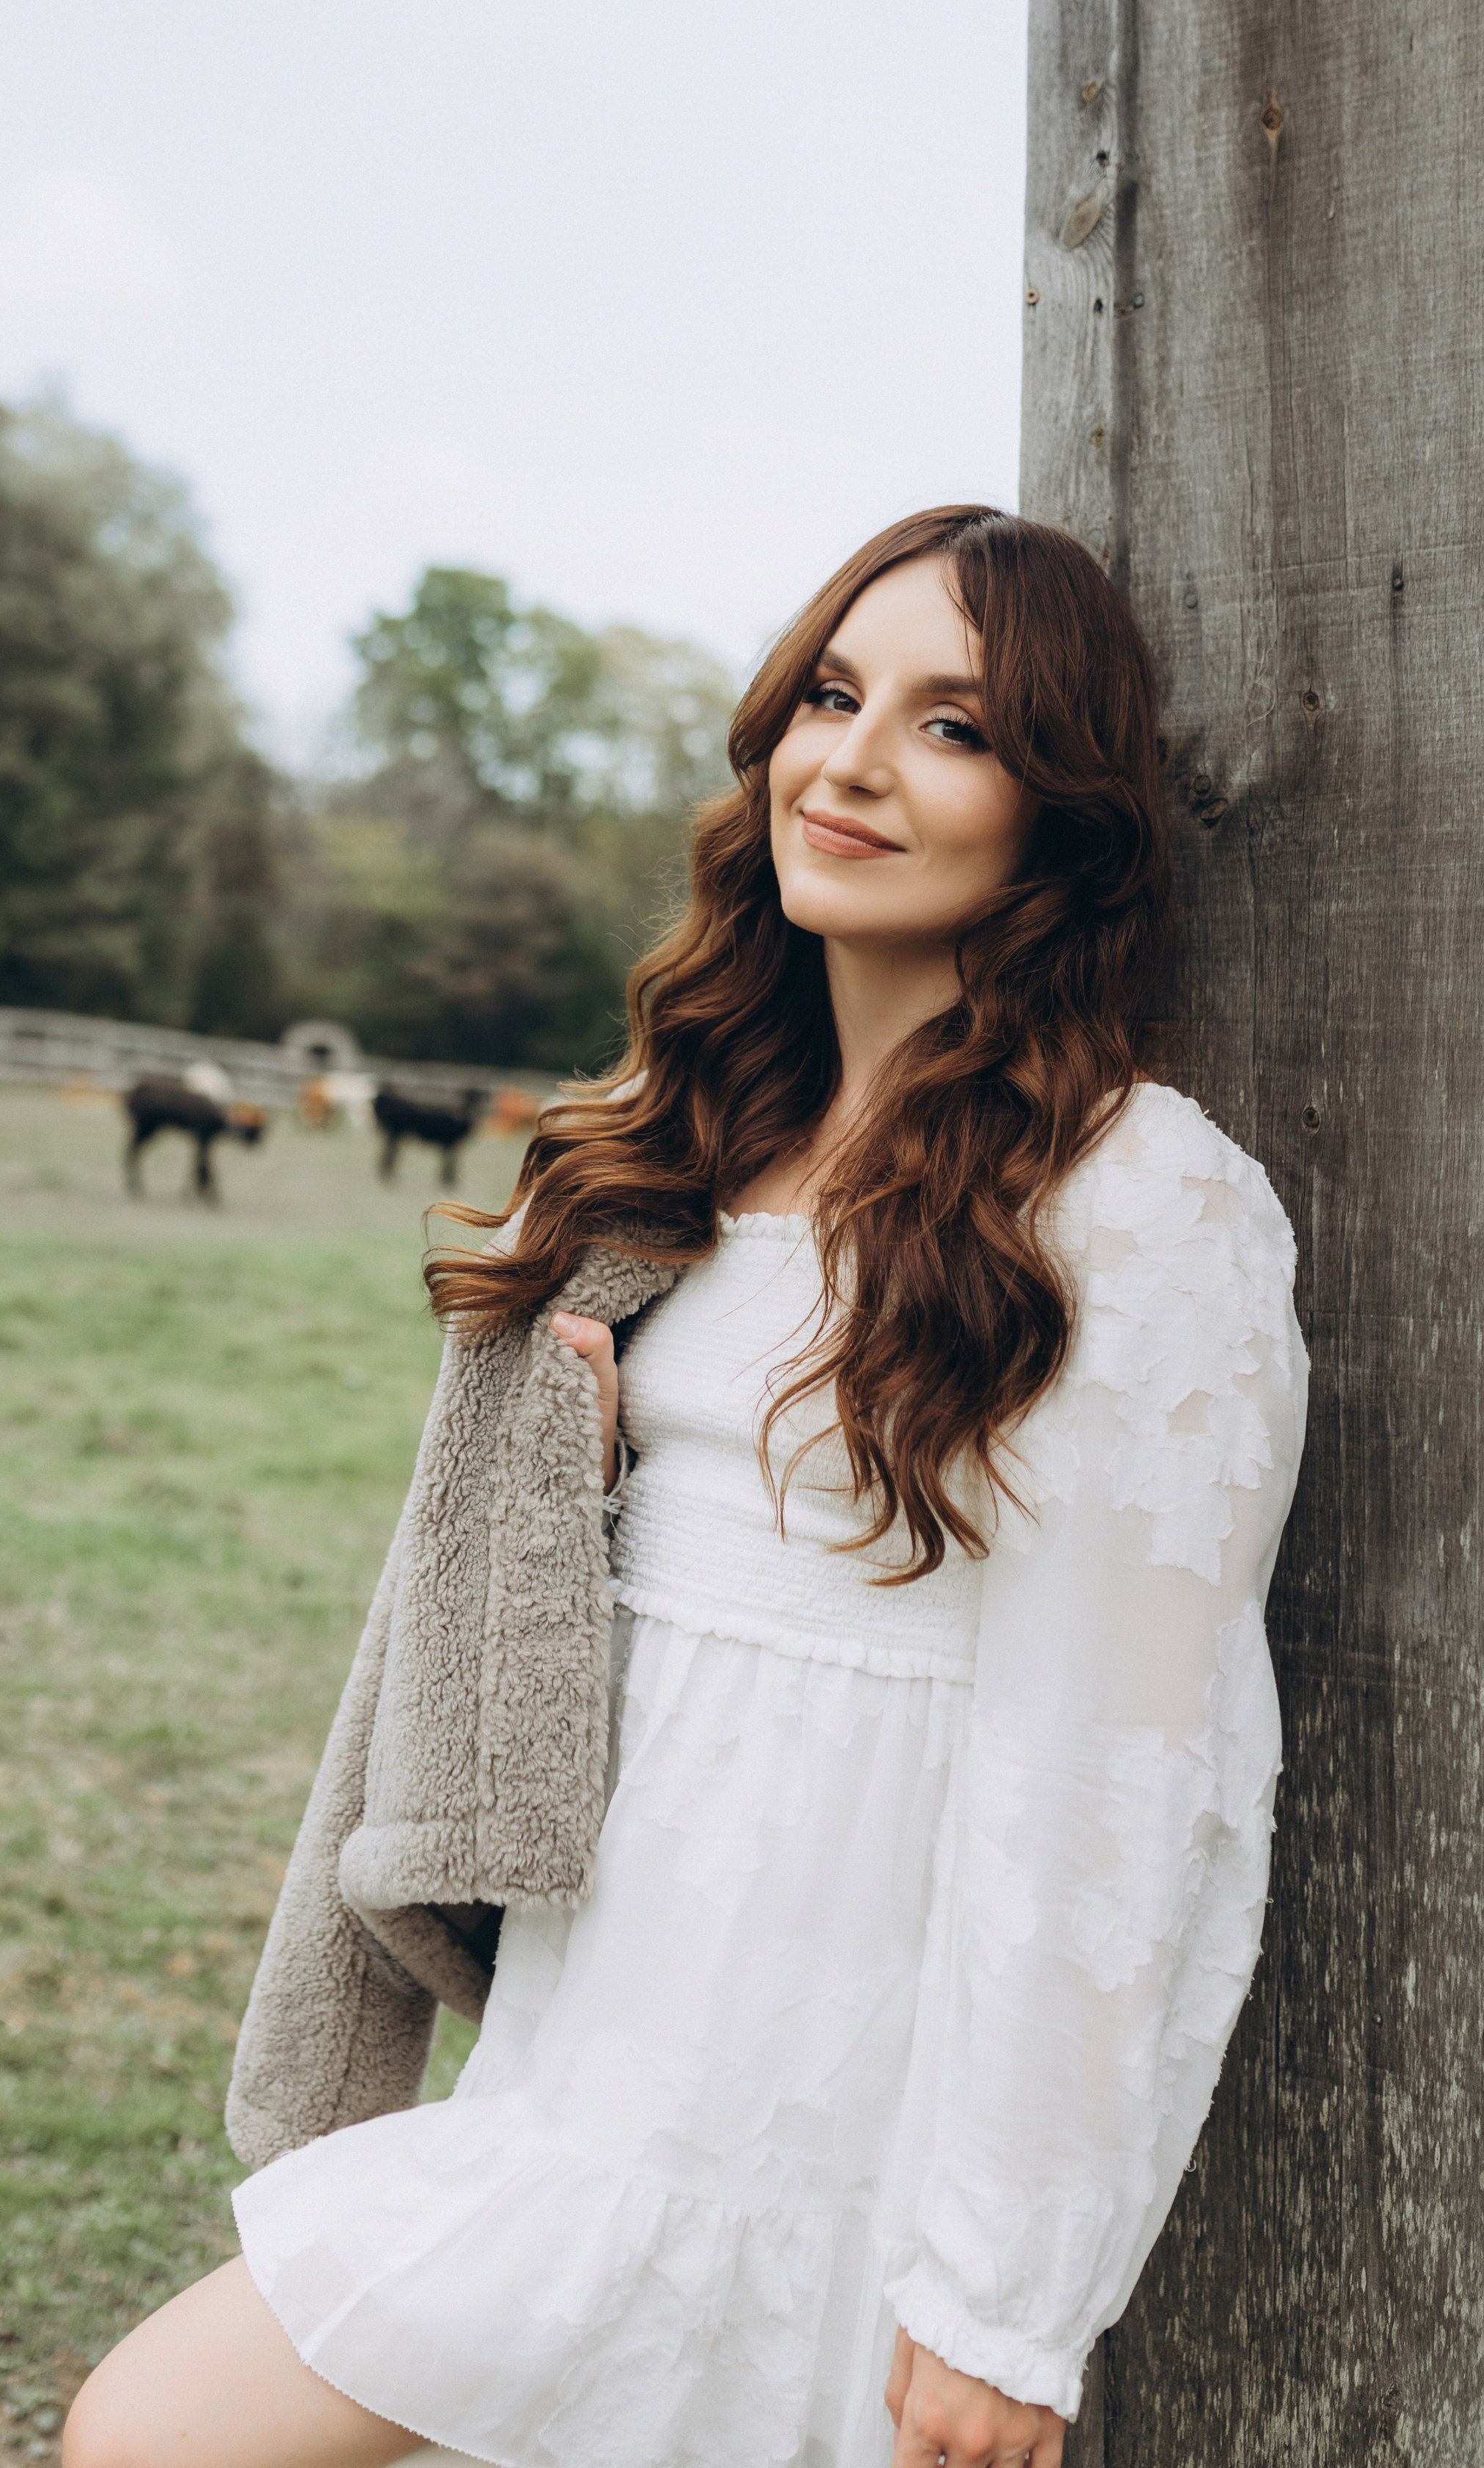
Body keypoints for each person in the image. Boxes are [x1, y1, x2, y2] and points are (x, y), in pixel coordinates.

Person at [66, 507, 1308, 2468]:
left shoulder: (1143, 1207)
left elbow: (1130, 1788)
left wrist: (1000, 2295)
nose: (854, 761)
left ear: (1065, 818)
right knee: (144, 2433)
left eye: (954, 726)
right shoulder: (697, 1171)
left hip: (826, 2131)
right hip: (593, 2061)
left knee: (152, 2432)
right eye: (832, 695)